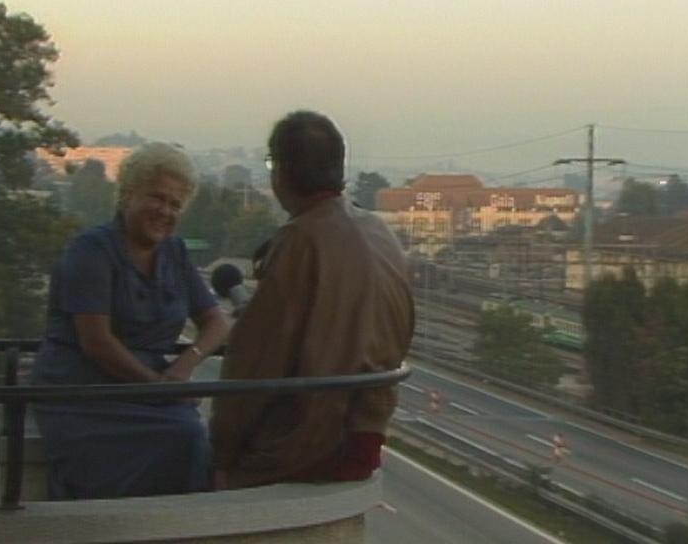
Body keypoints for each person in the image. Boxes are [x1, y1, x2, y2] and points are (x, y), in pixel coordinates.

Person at [210, 110, 414, 489]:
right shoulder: (381, 232)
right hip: (365, 440)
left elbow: (254, 365)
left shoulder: (300, 241)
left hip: (306, 447)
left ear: (281, 173)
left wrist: (222, 455)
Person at [31, 142, 229, 499]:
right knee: (185, 434)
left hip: (151, 388)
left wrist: (185, 366)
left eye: (175, 204)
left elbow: (217, 322)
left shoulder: (175, 253)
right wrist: (157, 388)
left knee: (196, 433)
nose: (165, 211)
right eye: (156, 198)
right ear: (127, 195)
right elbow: (97, 342)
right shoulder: (91, 251)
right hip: (85, 390)